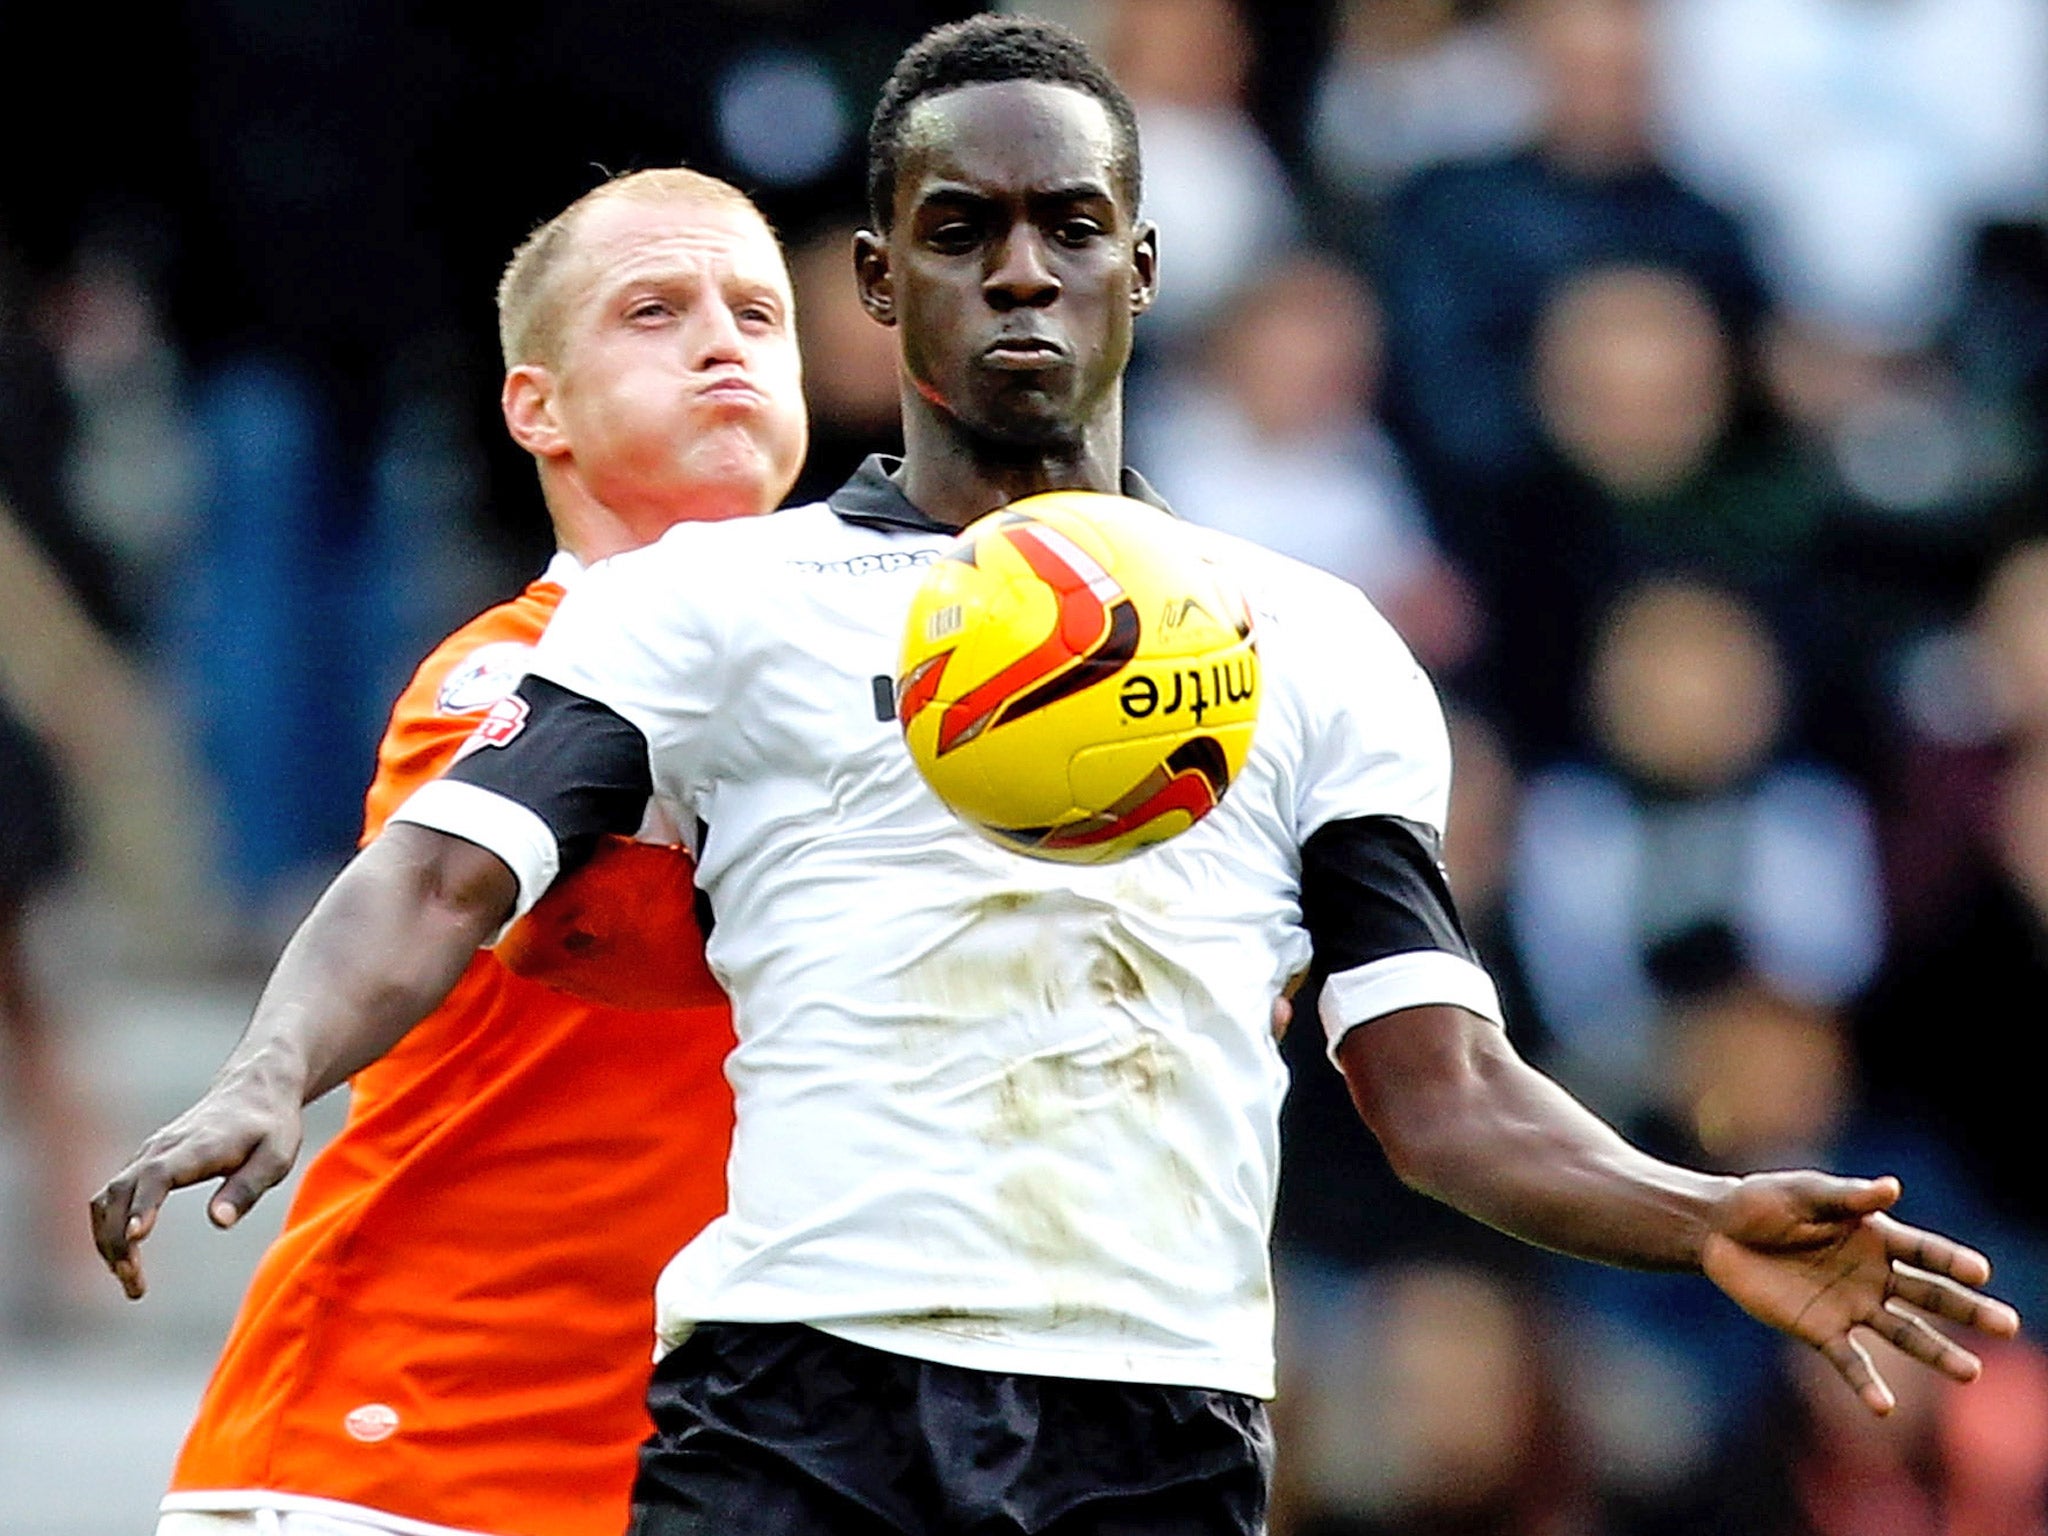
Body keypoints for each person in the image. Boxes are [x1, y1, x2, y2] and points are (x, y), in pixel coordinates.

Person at [95, 18, 2018, 1536]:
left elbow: (1439, 1092)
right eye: (960, 233)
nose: (1021, 271)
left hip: (1158, 1412)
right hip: (795, 1398)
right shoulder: (707, 605)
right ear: (878, 281)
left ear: (1143, 263)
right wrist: (269, 1070)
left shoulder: (1317, 643)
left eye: (1071, 226)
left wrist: (1689, 1210)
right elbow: (445, 871)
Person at [131, 166, 807, 1536]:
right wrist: (270, 1070)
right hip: (394, 1445)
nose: (719, 341)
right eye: (654, 311)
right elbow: (479, 903)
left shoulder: (876, 682)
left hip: (667, 1463)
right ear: (536, 408)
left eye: (756, 312)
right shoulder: (505, 675)